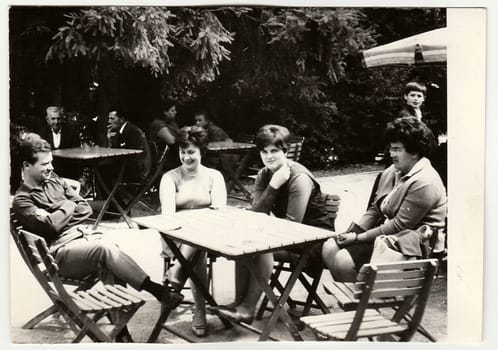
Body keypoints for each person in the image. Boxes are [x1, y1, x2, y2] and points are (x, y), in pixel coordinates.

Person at [11, 135, 183, 342]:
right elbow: (52, 225)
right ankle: (157, 290)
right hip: (61, 255)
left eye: (51, 162)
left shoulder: (54, 180)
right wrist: (68, 204)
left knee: (109, 261)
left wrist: (61, 211)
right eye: (45, 164)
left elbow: (84, 208)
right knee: (105, 250)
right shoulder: (22, 200)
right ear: (26, 165)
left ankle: (121, 334)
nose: (50, 167)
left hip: (83, 242)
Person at [216, 124, 333, 323]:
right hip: (288, 235)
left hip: (312, 242)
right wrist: (273, 185)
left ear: (286, 151)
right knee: (242, 244)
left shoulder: (299, 178)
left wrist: (275, 189)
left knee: (259, 248)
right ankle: (238, 304)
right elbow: (256, 214)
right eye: (264, 152)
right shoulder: (265, 174)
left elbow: (292, 227)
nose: (269, 157)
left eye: (275, 151)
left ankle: (248, 308)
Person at [322, 116, 447, 282]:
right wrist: (354, 231)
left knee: (343, 260)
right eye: (391, 148)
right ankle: (358, 301)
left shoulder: (425, 181)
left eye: (397, 149)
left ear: (415, 152)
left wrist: (358, 238)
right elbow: (375, 209)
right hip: (390, 236)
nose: (392, 154)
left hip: (413, 246)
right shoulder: (392, 171)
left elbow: (399, 226)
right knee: (329, 247)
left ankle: (363, 302)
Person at [159, 126, 227, 337]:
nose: (186, 157)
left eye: (191, 152)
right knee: (196, 248)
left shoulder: (214, 176)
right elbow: (169, 216)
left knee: (199, 242)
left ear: (201, 152)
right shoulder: (169, 178)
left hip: (207, 235)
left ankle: (177, 271)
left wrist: (201, 223)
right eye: (182, 152)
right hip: (175, 236)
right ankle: (200, 312)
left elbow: (219, 211)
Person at [106, 110, 151, 183]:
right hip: (128, 166)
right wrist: (109, 139)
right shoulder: (120, 131)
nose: (109, 121)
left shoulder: (132, 131)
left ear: (121, 119)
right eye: (109, 118)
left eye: (112, 118)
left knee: (104, 170)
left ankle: (109, 193)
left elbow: (131, 154)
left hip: (138, 169)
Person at [39, 106, 81, 179]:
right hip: (49, 173)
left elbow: (76, 154)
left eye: (58, 118)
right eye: (53, 119)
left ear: (62, 119)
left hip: (68, 173)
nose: (56, 122)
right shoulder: (43, 133)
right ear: (47, 120)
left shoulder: (71, 132)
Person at [149, 102, 181, 170]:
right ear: (165, 112)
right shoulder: (158, 124)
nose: (175, 112)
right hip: (163, 159)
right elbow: (171, 141)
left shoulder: (172, 122)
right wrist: (184, 134)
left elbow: (178, 134)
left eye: (175, 110)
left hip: (172, 155)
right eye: (172, 110)